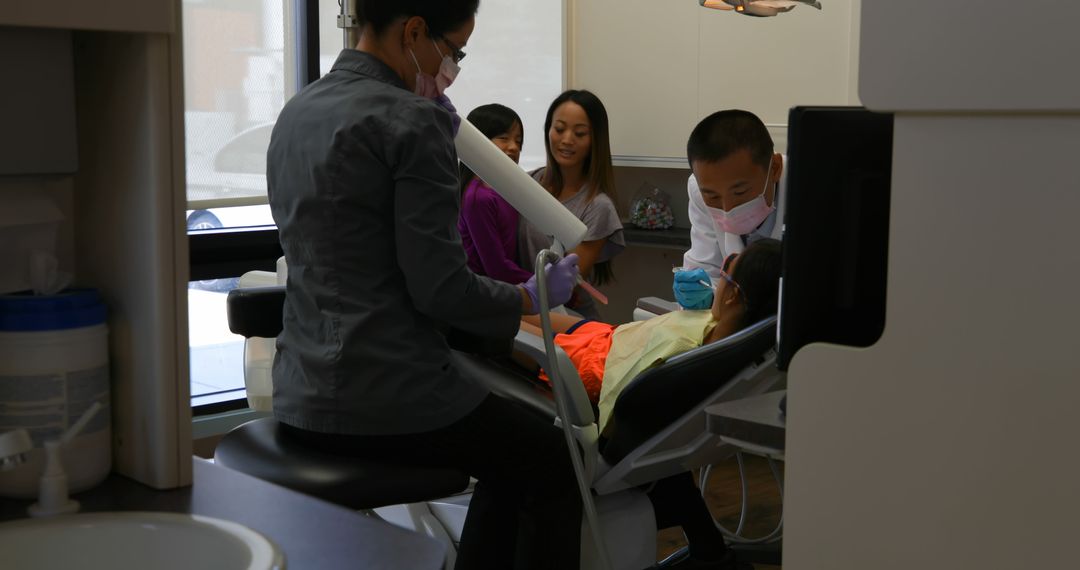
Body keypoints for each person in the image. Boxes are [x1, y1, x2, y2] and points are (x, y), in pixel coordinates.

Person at [264, 2, 583, 568]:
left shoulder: (298, 110)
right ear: (414, 31)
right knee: (554, 460)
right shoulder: (415, 121)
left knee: (515, 457)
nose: (453, 66)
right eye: (455, 50)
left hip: (299, 390)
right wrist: (530, 298)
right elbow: (442, 291)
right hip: (386, 396)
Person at [523, 238, 780, 570]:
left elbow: (628, 393)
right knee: (518, 308)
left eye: (727, 268)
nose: (718, 277)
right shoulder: (735, 337)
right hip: (610, 339)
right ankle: (709, 548)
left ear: (732, 294)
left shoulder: (686, 362)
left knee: (494, 321)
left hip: (591, 364)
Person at [519, 89, 625, 319]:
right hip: (518, 305)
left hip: (564, 317)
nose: (567, 140)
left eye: (579, 133)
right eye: (559, 129)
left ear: (595, 139)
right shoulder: (525, 183)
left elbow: (565, 285)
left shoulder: (598, 207)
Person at [674, 110, 786, 311]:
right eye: (713, 197)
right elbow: (707, 272)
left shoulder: (811, 187)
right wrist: (701, 294)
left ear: (775, 169)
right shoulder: (699, 189)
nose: (728, 210)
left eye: (740, 192)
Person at [457, 103, 533, 284]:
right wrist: (545, 285)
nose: (514, 147)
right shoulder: (479, 198)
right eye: (504, 138)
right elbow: (498, 269)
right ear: (479, 141)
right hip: (487, 297)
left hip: (505, 289)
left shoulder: (505, 190)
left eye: (518, 141)